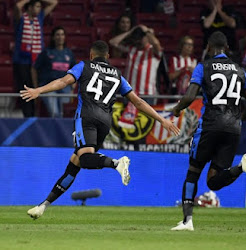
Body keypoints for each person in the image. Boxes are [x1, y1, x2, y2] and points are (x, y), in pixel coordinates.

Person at [20, 40, 180, 219]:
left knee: (86, 159)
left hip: (86, 117)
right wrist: (161, 120)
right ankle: (43, 205)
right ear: (108, 57)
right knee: (76, 162)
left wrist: (39, 90)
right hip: (105, 122)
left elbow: (63, 81)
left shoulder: (84, 66)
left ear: (91, 55)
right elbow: (138, 102)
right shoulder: (118, 75)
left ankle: (116, 163)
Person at [170, 31, 246, 231]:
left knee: (193, 172)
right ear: (226, 48)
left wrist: (177, 109)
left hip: (210, 125)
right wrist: (242, 117)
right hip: (232, 129)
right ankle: (241, 168)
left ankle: (187, 222)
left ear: (209, 48)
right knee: (213, 182)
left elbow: (190, 95)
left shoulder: (203, 67)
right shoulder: (239, 70)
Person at [109, 24, 163, 128]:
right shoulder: (132, 49)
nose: (139, 39)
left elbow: (156, 43)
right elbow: (113, 42)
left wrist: (147, 31)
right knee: (126, 124)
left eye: (142, 37)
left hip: (147, 94)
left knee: (145, 124)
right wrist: (131, 31)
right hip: (130, 93)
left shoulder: (153, 51)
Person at [13, 0, 57, 117]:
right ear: (30, 8)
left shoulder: (39, 18)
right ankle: (27, 116)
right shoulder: (22, 19)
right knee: (25, 90)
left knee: (36, 87)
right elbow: (18, 6)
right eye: (37, 6)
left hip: (37, 61)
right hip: (22, 61)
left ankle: (35, 115)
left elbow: (54, 2)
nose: (39, 9)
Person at [32, 26, 76, 117]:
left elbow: (75, 71)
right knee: (55, 113)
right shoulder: (46, 52)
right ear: (53, 37)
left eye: (62, 35)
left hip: (65, 88)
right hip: (49, 87)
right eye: (57, 35)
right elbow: (34, 69)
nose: (60, 37)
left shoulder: (69, 53)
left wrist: (72, 87)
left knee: (65, 113)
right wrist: (36, 87)